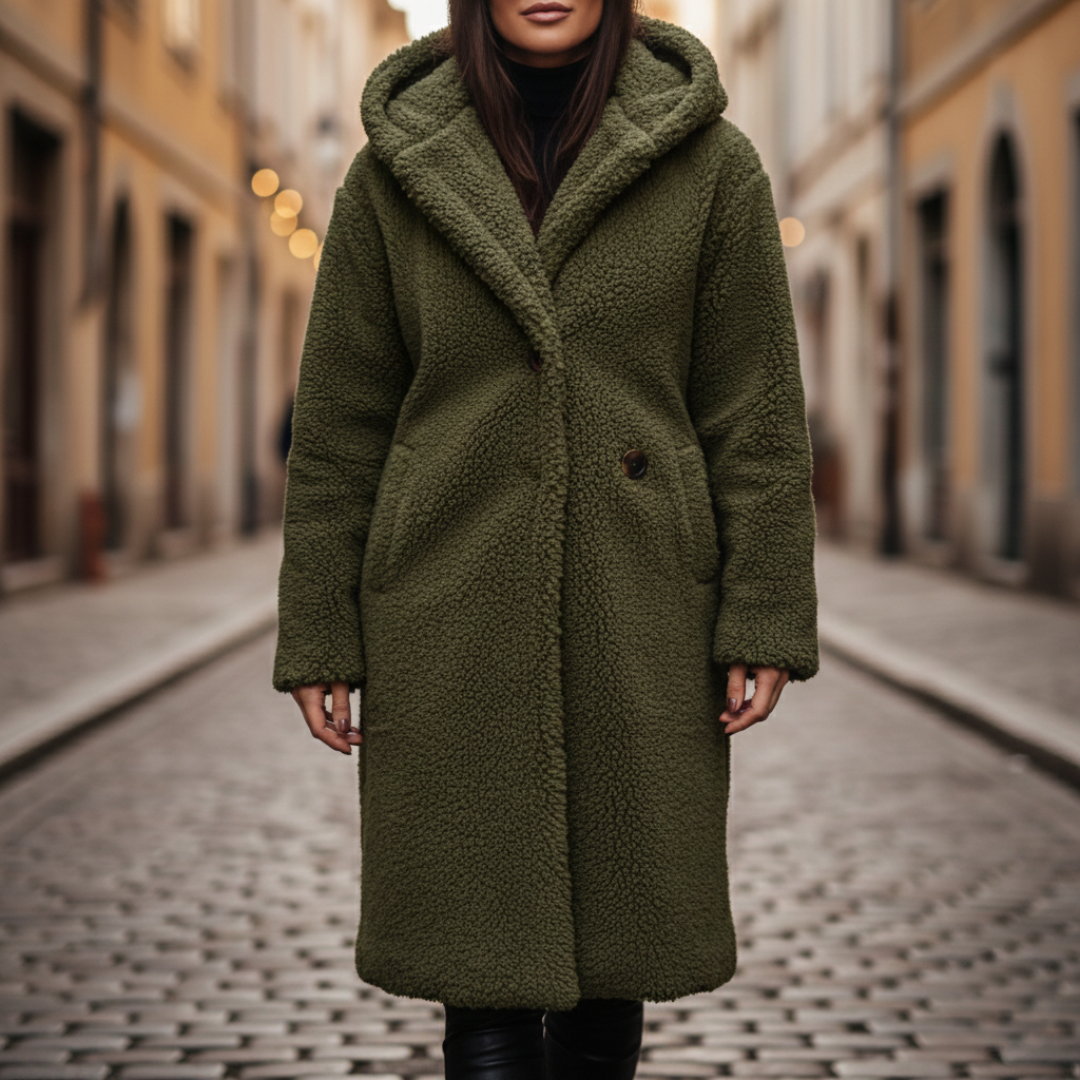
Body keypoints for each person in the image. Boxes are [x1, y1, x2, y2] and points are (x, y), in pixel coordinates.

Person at [272, 0, 819, 1075]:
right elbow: (338, 429)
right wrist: (320, 632)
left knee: (615, 968)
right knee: (478, 980)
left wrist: (761, 608)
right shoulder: (394, 172)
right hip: (445, 607)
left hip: (641, 607)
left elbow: (755, 416)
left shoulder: (712, 165)